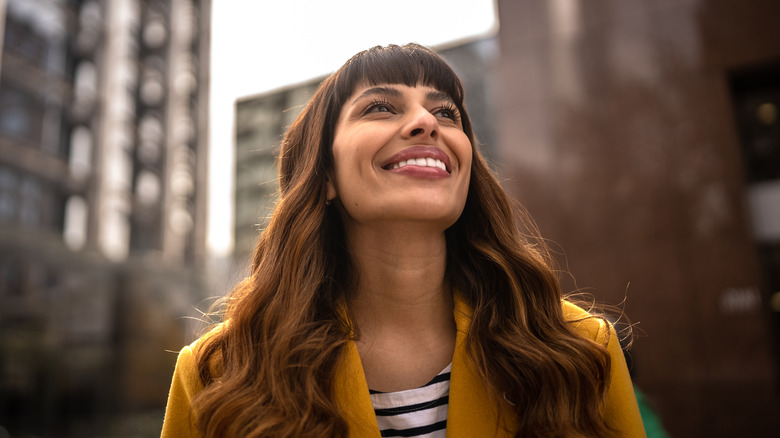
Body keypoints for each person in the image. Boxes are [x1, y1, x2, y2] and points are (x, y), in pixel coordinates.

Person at [161, 43, 646, 438]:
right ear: (325, 175)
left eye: (446, 112)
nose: (427, 122)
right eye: (379, 107)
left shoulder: (579, 349)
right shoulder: (216, 374)